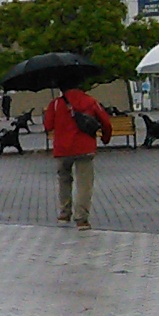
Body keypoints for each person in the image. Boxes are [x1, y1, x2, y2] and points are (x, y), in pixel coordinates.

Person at [43, 84, 113, 231]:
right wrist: (106, 138)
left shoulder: (55, 103)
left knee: (64, 180)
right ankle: (81, 219)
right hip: (84, 147)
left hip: (62, 149)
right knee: (84, 184)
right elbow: (105, 121)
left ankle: (64, 213)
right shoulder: (90, 101)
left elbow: (48, 125)